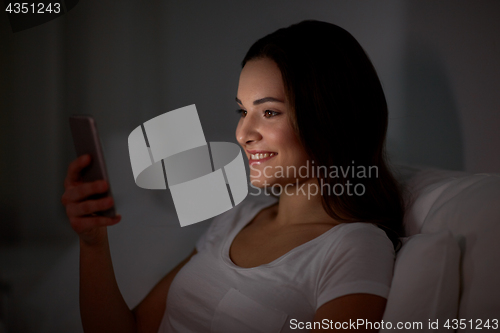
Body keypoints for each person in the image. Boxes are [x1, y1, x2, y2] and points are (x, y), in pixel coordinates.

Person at [61, 20, 405, 333]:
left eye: (268, 112)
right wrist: (93, 243)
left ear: (330, 118)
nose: (243, 133)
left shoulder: (355, 247)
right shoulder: (237, 217)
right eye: (242, 111)